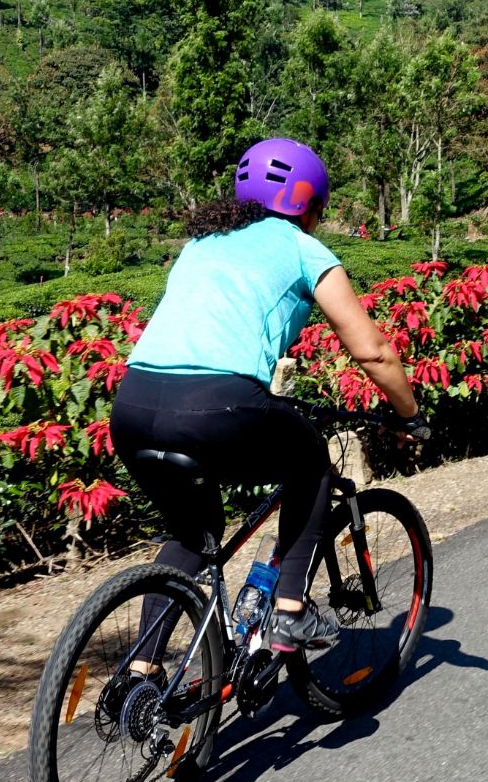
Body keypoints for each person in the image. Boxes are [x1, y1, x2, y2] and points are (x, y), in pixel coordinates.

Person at [111, 137, 426, 662]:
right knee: (312, 462)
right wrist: (409, 415)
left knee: (192, 536)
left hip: (134, 405)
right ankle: (290, 611)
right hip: (218, 403)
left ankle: (141, 674)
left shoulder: (201, 244)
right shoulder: (301, 247)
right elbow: (372, 352)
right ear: (307, 203)